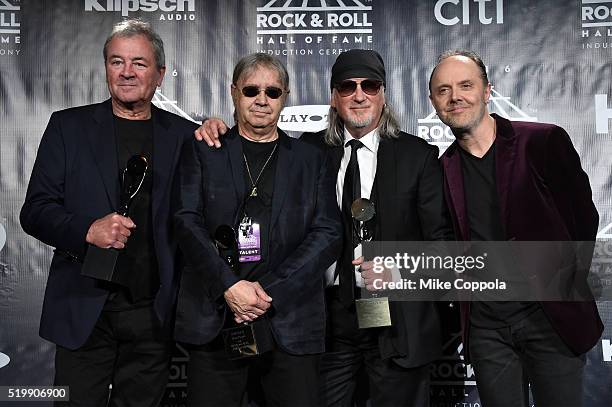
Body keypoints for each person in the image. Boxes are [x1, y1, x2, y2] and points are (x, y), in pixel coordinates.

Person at [195, 49, 452, 407]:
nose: (359, 95)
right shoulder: (308, 152)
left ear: (383, 93)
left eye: (370, 85)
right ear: (333, 96)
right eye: (347, 87)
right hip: (326, 322)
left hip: (398, 318)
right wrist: (217, 127)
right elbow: (253, 141)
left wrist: (399, 269)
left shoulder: (418, 155)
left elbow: (443, 245)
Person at [20, 19, 197, 406]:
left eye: (139, 62)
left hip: (153, 313)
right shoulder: (68, 126)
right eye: (117, 62)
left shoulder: (186, 136)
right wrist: (87, 229)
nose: (127, 72)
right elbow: (34, 211)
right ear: (106, 68)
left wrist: (218, 130)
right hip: (84, 308)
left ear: (160, 73)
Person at [428, 49, 604, 407]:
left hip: (551, 318)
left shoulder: (542, 142)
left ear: (488, 90)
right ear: (433, 101)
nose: (455, 97)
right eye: (443, 90)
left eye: (465, 85)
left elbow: (582, 218)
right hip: (487, 328)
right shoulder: (440, 169)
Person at [172, 52, 342, 407]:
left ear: (286, 97)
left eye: (272, 92)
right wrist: (229, 286)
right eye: (251, 90)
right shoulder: (205, 149)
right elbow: (185, 222)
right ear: (234, 92)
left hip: (291, 322)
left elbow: (328, 234)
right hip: (217, 320)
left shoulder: (312, 158)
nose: (262, 100)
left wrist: (266, 291)